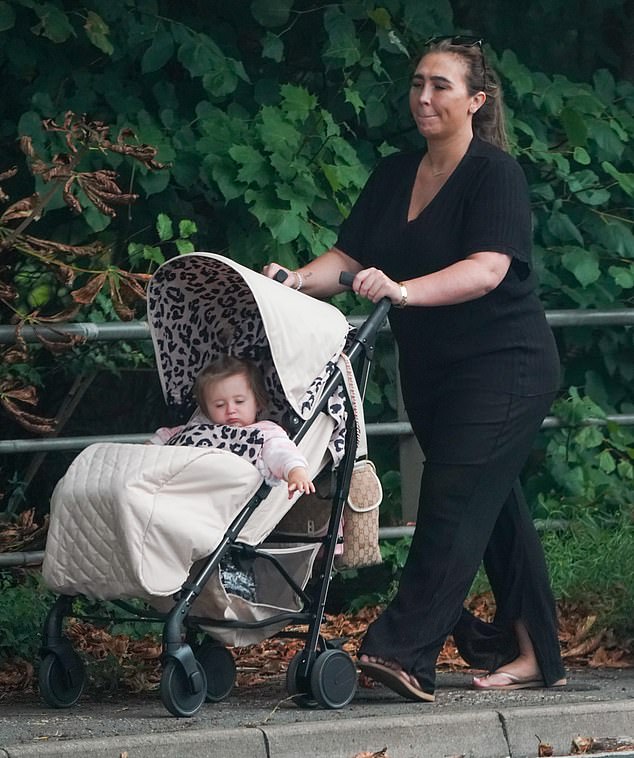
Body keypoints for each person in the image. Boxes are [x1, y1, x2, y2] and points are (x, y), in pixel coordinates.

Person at [263, 36, 566, 702]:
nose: (423, 97)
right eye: (417, 84)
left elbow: (488, 269)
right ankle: (536, 651)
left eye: (441, 86)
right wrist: (294, 280)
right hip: (436, 374)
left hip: (504, 367)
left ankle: (400, 653)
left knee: (453, 504)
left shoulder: (495, 175)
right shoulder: (396, 172)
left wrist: (404, 289)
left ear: (476, 101)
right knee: (496, 510)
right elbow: (345, 255)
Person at [149, 355, 315, 500]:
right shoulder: (201, 426)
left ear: (257, 402)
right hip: (179, 487)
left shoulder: (264, 432)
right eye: (220, 405)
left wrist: (295, 472)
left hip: (221, 495)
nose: (231, 410)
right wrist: (149, 448)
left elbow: (281, 453)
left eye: (240, 402)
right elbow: (170, 435)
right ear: (206, 409)